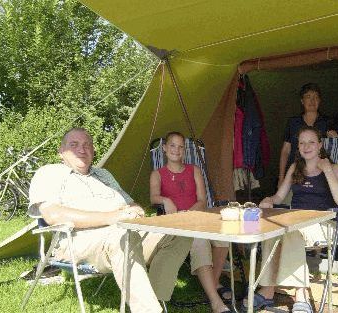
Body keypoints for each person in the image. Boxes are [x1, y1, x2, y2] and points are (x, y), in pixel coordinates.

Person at [28, 127, 192, 313]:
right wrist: (112, 217)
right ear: (61, 152)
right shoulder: (50, 173)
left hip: (126, 232)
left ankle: (153, 296)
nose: (82, 149)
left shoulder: (104, 175)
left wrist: (136, 210)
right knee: (123, 237)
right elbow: (53, 215)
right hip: (80, 242)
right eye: (74, 145)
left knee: (179, 235)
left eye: (87, 145)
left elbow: (130, 203)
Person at [246, 126, 338, 312]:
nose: (306, 146)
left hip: (325, 224)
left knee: (291, 232)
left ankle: (300, 294)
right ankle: (269, 290)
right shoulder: (295, 168)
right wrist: (268, 200)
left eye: (311, 142)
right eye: (302, 143)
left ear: (320, 145)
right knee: (273, 231)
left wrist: (327, 171)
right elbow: (278, 197)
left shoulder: (335, 168)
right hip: (297, 221)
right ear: (298, 147)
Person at [149, 131, 231, 313]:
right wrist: (165, 199)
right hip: (175, 223)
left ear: (184, 150)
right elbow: (153, 197)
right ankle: (215, 301)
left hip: (196, 216)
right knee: (200, 241)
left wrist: (190, 214)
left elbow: (202, 200)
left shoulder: (194, 169)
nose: (176, 150)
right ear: (164, 148)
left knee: (223, 239)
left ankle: (213, 283)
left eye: (180, 147)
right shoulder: (157, 174)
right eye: (172, 145)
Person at [278, 83, 338, 188]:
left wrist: (335, 139)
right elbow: (285, 151)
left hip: (320, 176)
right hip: (295, 175)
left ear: (319, 101)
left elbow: (335, 149)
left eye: (316, 97)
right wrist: (281, 178)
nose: (312, 101)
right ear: (302, 101)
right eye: (308, 97)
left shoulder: (328, 122)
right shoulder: (293, 122)